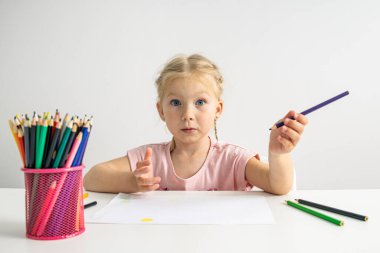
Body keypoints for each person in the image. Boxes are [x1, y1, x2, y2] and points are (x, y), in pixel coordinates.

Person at [83, 54, 308, 195]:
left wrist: (278, 154)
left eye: (200, 102)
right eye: (175, 103)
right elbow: (91, 178)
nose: (187, 114)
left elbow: (278, 186)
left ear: (217, 110)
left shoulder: (233, 159)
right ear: (161, 110)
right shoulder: (150, 159)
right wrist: (131, 182)